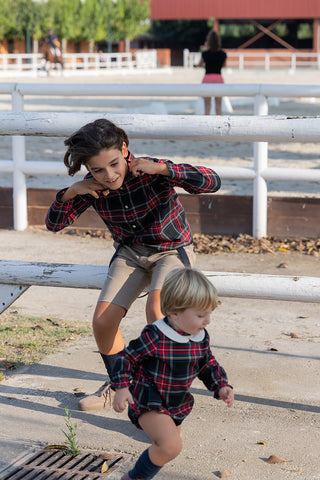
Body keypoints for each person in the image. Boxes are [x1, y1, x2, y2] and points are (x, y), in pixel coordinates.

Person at [45, 118, 221, 412]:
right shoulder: (92, 186)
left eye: (114, 164)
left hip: (172, 250)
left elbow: (213, 182)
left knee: (158, 313)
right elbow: (54, 224)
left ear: (125, 149)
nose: (109, 175)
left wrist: (164, 168)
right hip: (130, 254)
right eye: (98, 169)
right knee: (102, 321)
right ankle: (119, 385)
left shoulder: (151, 170)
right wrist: (72, 191)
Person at [111, 267, 234, 480]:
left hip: (176, 402)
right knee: (170, 446)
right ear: (175, 313)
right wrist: (122, 387)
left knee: (166, 448)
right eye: (201, 315)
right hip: (148, 399)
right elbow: (126, 358)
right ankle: (133, 477)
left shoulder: (199, 336)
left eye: (209, 314)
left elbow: (207, 364)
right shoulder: (156, 335)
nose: (208, 321)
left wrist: (220, 385)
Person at [198, 30, 227, 116]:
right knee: (218, 107)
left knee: (207, 107)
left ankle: (205, 127)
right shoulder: (223, 54)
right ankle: (221, 127)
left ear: (208, 41)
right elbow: (224, 66)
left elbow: (199, 65)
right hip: (218, 78)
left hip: (207, 78)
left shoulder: (205, 54)